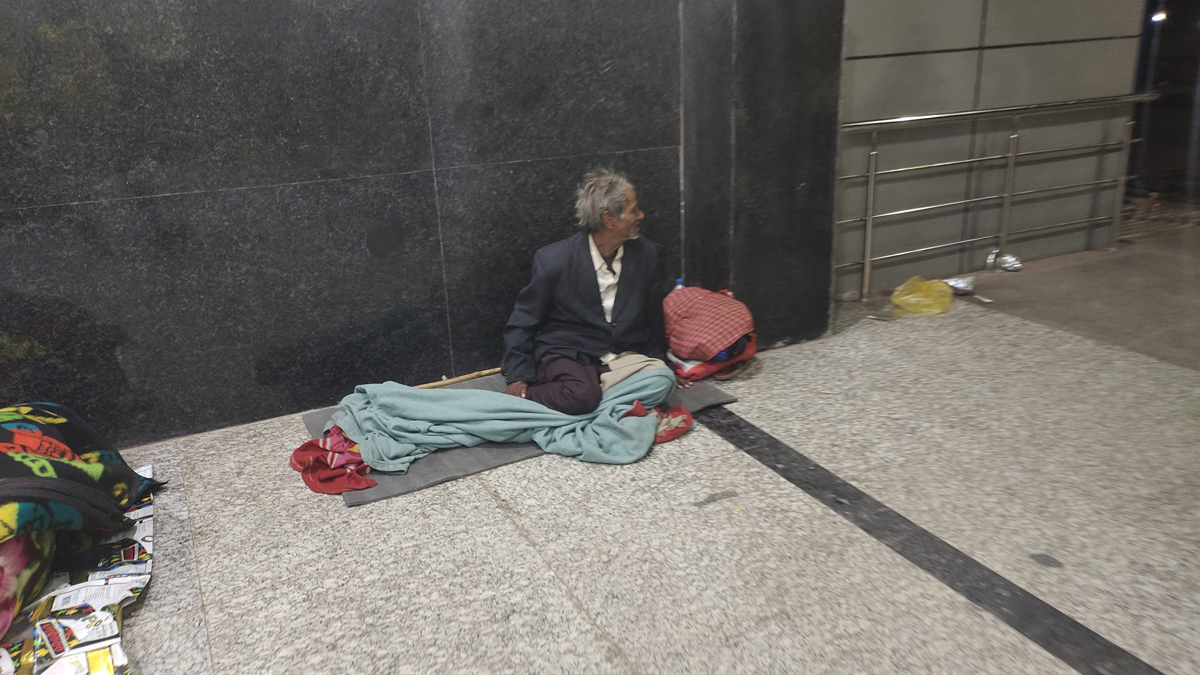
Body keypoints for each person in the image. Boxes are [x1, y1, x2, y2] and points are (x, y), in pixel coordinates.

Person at [501, 169, 688, 415]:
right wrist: (518, 377)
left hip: (620, 356)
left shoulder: (645, 253)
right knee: (582, 395)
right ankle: (566, 397)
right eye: (633, 210)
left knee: (662, 379)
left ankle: (590, 399)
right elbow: (522, 322)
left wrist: (663, 363)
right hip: (568, 353)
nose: (641, 215)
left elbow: (652, 316)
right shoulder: (554, 260)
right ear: (609, 219)